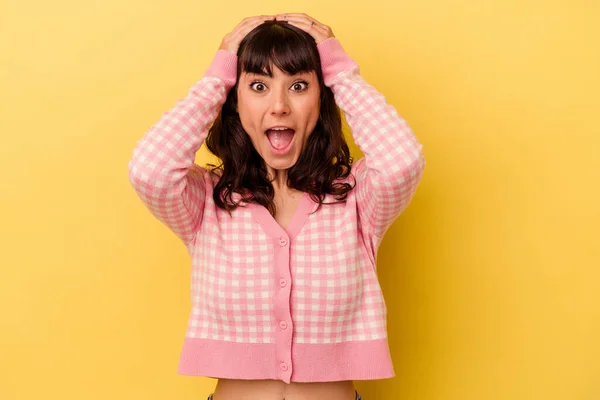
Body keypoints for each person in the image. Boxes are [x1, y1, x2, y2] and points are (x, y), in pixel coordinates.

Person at [128, 13, 426, 400]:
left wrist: (340, 71)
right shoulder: (206, 201)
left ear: (321, 99)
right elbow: (149, 170)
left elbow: (403, 160)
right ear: (235, 103)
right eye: (258, 86)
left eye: (299, 86)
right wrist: (216, 79)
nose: (280, 105)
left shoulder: (356, 198)